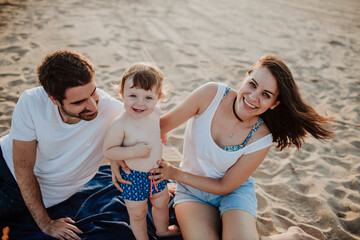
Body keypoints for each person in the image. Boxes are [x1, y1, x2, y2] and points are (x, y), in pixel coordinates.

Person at [147, 54, 333, 240]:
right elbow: (159, 127)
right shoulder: (210, 95)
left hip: (232, 192)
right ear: (245, 77)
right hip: (191, 192)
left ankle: (292, 237)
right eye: (252, 84)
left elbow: (224, 185)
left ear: (274, 104)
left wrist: (174, 174)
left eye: (265, 95)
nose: (253, 97)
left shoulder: (262, 137)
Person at [0, 50, 123, 239]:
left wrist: (158, 179)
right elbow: (23, 167)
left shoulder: (112, 110)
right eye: (80, 101)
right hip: (9, 166)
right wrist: (46, 224)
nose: (93, 106)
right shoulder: (32, 101)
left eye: (93, 92)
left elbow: (152, 128)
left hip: (19, 194)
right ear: (54, 100)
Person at [103, 63, 180, 240]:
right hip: (134, 177)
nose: (140, 103)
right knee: (138, 212)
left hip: (157, 171)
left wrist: (163, 132)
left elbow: (158, 124)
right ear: (121, 94)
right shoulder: (121, 124)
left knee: (161, 203)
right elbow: (108, 151)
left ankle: (162, 230)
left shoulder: (155, 112)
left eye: (148, 98)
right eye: (132, 95)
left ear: (159, 98)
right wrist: (133, 151)